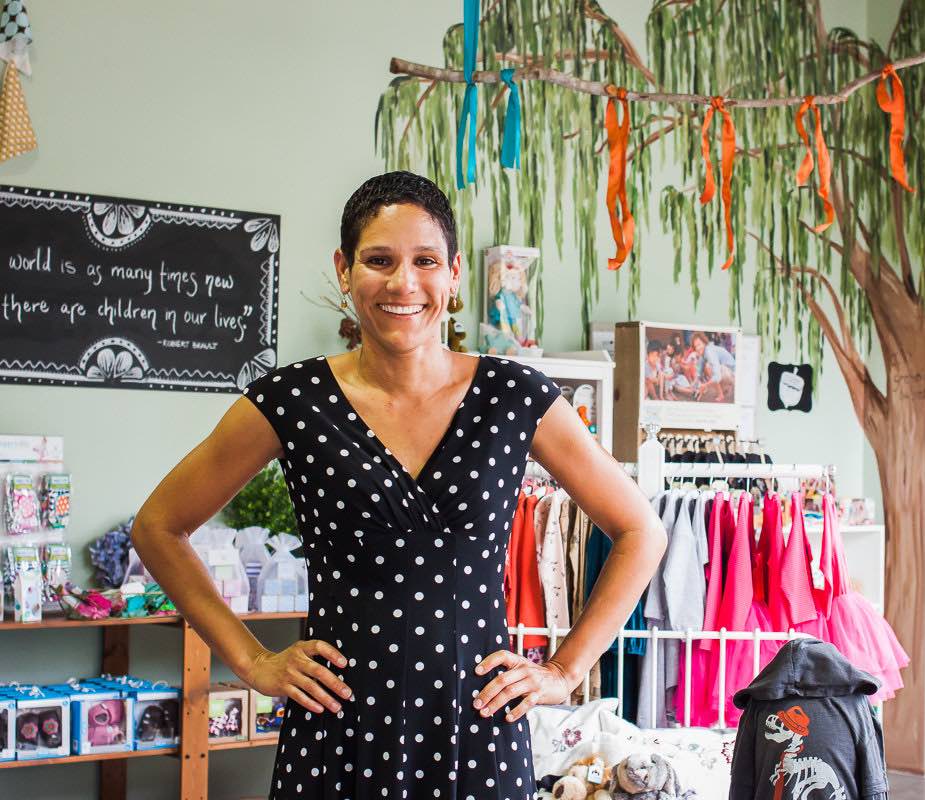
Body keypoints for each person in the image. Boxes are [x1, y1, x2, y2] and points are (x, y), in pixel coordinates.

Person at [131, 171, 667, 799]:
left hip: (478, 727)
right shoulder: (292, 401)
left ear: (456, 274)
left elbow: (641, 531)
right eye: (379, 260)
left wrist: (564, 669)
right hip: (340, 727)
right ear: (344, 268)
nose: (403, 283)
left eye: (426, 261)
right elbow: (158, 526)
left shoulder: (515, 397)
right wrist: (252, 661)